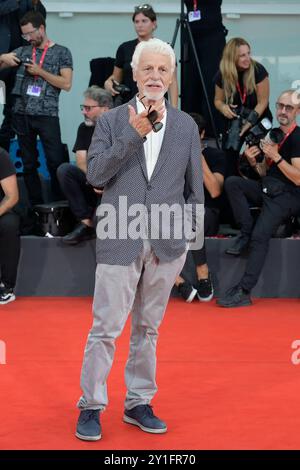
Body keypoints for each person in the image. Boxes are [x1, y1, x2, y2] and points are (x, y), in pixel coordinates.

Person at [75, 38, 204, 441]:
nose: (154, 76)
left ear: (171, 76)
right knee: (105, 329)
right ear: (134, 74)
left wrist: (189, 246)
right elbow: (95, 176)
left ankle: (138, 402)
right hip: (119, 234)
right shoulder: (113, 121)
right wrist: (134, 134)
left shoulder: (185, 126)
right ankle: (91, 405)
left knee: (149, 329)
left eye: (162, 70)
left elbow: (194, 190)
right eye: (147, 69)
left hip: (168, 242)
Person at [217, 90, 300, 308]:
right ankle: (245, 232)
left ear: (297, 111)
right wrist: (255, 162)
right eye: (280, 105)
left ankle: (244, 291)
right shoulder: (273, 135)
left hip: (287, 196)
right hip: (268, 187)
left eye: (288, 107)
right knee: (233, 183)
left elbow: (299, 179)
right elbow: (266, 173)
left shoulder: (298, 137)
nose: (283, 111)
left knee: (260, 235)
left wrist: (276, 156)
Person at [0, 11, 73, 207]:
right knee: (29, 165)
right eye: (25, 35)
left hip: (47, 114)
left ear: (42, 28)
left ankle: (61, 207)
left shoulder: (62, 52)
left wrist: (40, 72)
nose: (28, 38)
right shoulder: (23, 51)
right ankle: (35, 209)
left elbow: (66, 84)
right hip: (21, 114)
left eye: (30, 33)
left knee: (55, 161)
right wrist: (3, 57)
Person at [175, 113, 225, 302]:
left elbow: (214, 191)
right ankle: (178, 281)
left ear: (201, 134)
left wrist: (196, 156)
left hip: (206, 213)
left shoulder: (215, 156)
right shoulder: (170, 156)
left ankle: (203, 274)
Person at [57, 86, 113, 245]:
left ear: (105, 109)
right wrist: (94, 179)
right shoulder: (84, 128)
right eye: (83, 107)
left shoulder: (119, 129)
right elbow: (81, 160)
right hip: (92, 179)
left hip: (112, 185)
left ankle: (94, 222)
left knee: (101, 223)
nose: (84, 112)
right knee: (65, 170)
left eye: (88, 108)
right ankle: (85, 221)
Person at [214, 37, 272, 177]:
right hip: (237, 120)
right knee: (229, 158)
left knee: (254, 157)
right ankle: (232, 188)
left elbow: (263, 102)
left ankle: (257, 189)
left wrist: (249, 124)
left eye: (248, 53)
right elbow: (217, 100)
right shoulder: (223, 73)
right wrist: (223, 108)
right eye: (242, 55)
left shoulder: (258, 70)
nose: (247, 58)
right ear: (232, 57)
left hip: (258, 118)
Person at [104, 3, 178, 108]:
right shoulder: (124, 48)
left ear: (154, 23)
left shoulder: (165, 49)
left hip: (156, 104)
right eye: (136, 21)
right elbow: (116, 78)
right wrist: (108, 82)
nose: (140, 25)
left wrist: (174, 109)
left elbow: (172, 82)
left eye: (144, 21)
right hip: (129, 104)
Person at [0, 0, 46, 152]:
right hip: (2, 64)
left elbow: (40, 18)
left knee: (15, 114)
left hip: (21, 66)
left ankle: (6, 162)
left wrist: (36, 4)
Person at [182, 0, 227, 137]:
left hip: (212, 36)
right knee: (190, 84)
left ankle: (212, 131)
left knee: (210, 83)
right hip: (191, 34)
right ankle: (188, 129)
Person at [0, 146, 20, 304]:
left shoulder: (1, 156)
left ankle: (6, 286)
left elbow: (12, 197)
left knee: (9, 224)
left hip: (1, 210)